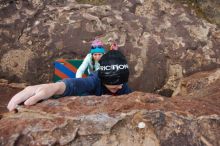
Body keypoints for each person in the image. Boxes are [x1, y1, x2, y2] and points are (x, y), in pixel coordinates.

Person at [7, 50, 132, 111]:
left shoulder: (124, 88)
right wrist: (54, 87)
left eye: (122, 83)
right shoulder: (95, 80)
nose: (120, 87)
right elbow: (76, 84)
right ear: (102, 79)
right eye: (114, 85)